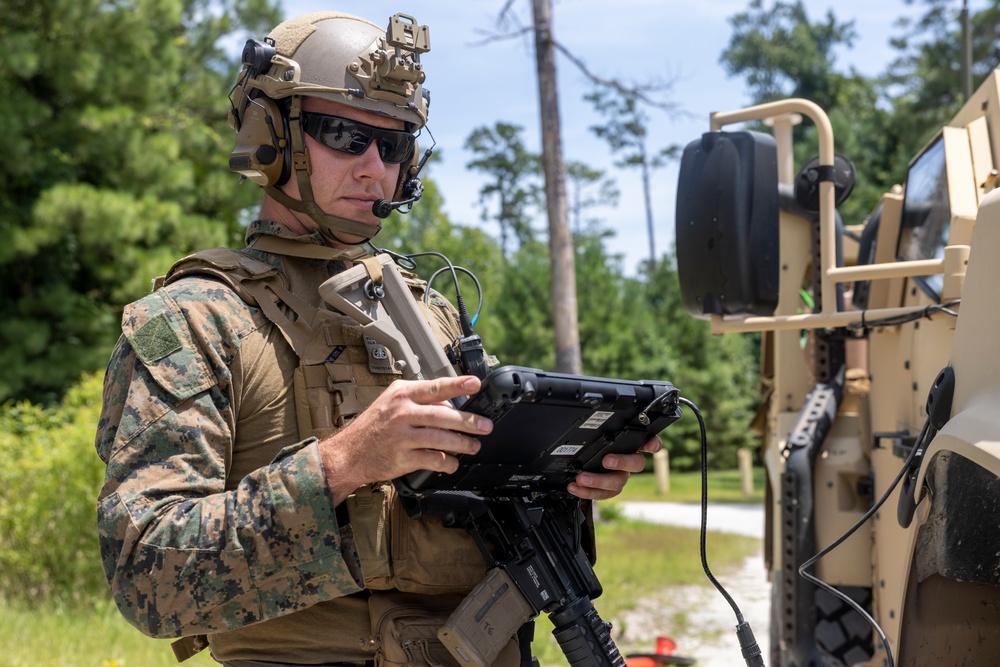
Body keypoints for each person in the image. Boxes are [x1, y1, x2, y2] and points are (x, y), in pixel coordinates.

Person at [95, 10, 661, 667]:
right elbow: (147, 577)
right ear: (271, 134)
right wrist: (342, 465)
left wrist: (568, 475)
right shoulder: (195, 320)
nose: (376, 169)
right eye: (345, 134)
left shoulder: (434, 316)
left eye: (394, 146)